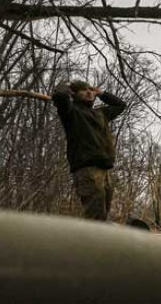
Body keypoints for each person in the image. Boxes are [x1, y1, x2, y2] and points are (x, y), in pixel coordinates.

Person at [52, 80, 126, 221]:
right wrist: (67, 86)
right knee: (94, 217)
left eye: (90, 90)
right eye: (83, 90)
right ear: (74, 94)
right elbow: (60, 96)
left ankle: (99, 241)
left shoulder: (100, 113)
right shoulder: (71, 112)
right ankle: (90, 242)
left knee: (103, 215)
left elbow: (121, 105)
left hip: (104, 168)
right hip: (87, 169)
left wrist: (101, 93)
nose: (89, 92)